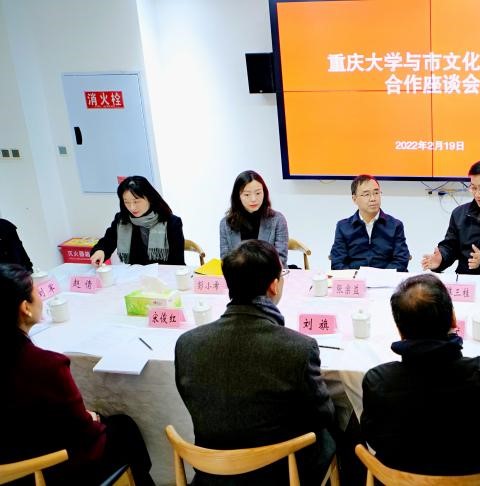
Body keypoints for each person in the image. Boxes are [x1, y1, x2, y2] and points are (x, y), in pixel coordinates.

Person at [174, 240, 336, 485]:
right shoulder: (298, 348)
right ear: (274, 285)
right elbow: (323, 415)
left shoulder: (187, 343)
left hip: (214, 471)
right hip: (280, 472)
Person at [0, 264, 154, 485]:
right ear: (25, 308)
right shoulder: (47, 365)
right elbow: (86, 434)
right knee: (125, 429)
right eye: (36, 292)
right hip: (50, 468)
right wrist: (92, 418)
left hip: (9, 471)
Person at [361, 274, 480, 475]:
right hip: (474, 473)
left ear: (400, 331)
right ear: (453, 318)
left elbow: (374, 437)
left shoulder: (378, 381)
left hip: (404, 476)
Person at [90, 176, 185, 266]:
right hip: (134, 275)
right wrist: (100, 251)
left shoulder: (172, 222)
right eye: (127, 202)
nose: (132, 207)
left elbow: (177, 263)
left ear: (149, 198)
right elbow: (107, 242)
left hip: (163, 275)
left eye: (136, 201)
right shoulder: (122, 220)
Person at [330, 174, 409, 272]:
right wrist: (356, 277)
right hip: (355, 279)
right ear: (354, 199)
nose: (373, 199)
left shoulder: (395, 225)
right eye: (366, 194)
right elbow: (338, 262)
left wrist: (381, 277)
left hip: (386, 278)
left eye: (376, 193)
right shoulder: (343, 227)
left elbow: (401, 260)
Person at [219, 170, 289, 266]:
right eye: (247, 194)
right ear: (238, 196)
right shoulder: (226, 223)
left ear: (264, 193)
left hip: (270, 273)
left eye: (258, 193)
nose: (253, 199)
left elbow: (280, 259)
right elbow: (225, 259)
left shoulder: (277, 220)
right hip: (239, 273)